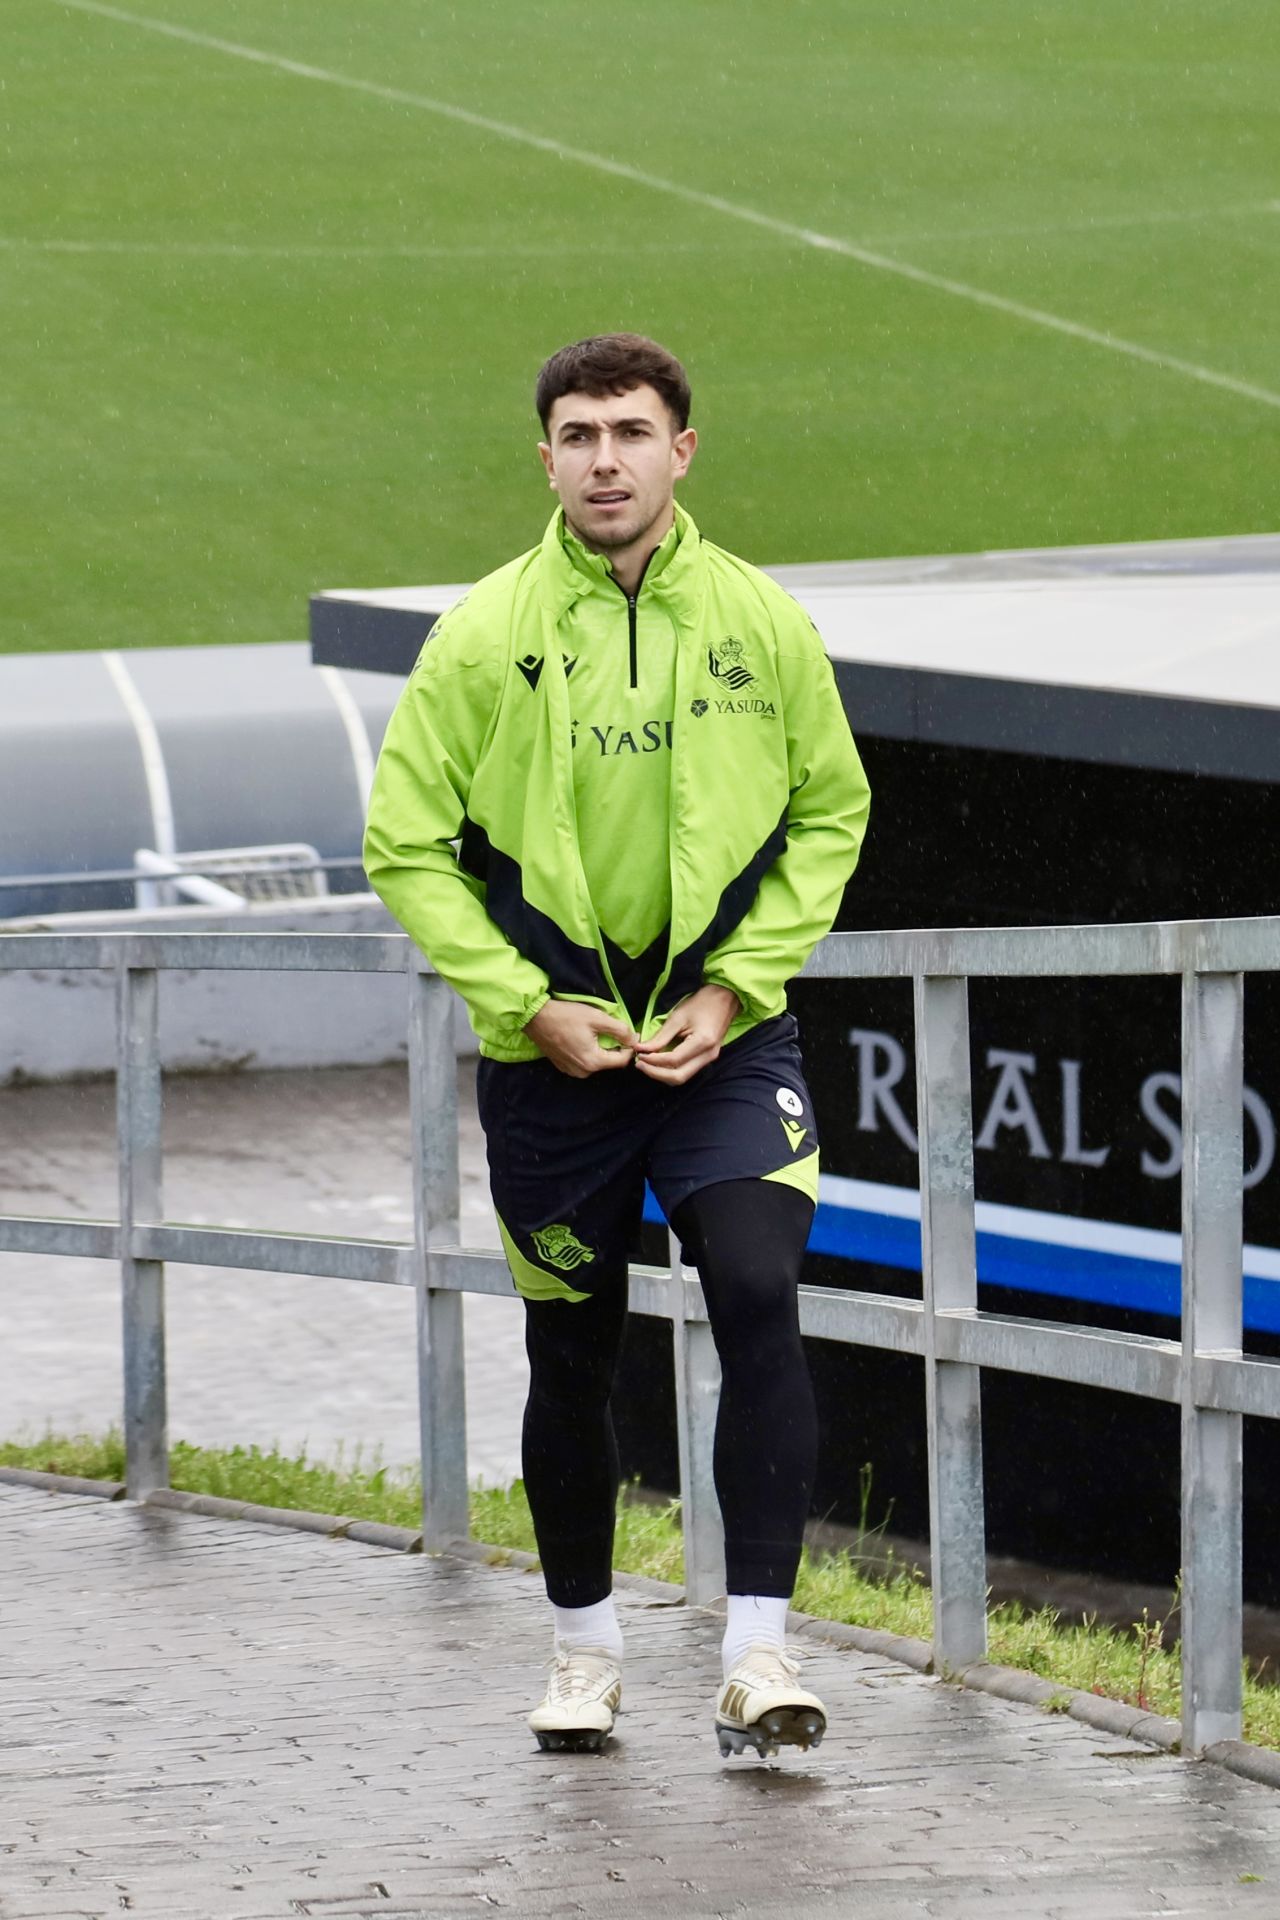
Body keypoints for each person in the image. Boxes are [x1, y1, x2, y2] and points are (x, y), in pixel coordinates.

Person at [364, 332, 870, 1758]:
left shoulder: (764, 621)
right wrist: (525, 1005)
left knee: (757, 1290)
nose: (606, 461)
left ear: (681, 450)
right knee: (571, 1353)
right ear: (546, 459)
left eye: (632, 433)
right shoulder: (481, 634)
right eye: (579, 436)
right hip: (553, 1063)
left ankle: (758, 1655)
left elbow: (833, 810)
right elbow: (404, 842)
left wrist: (738, 987)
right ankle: (584, 1654)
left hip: (726, 1044)